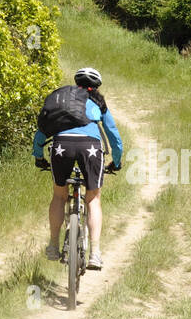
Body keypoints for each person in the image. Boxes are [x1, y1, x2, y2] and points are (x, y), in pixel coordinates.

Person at [33, 67, 123, 271]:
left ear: (76, 83)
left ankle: (53, 246)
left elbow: (42, 130)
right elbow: (113, 136)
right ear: (96, 86)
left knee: (59, 195)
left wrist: (38, 156)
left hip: (61, 146)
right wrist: (116, 161)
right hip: (90, 147)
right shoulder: (98, 102)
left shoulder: (62, 100)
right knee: (93, 199)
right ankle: (95, 254)